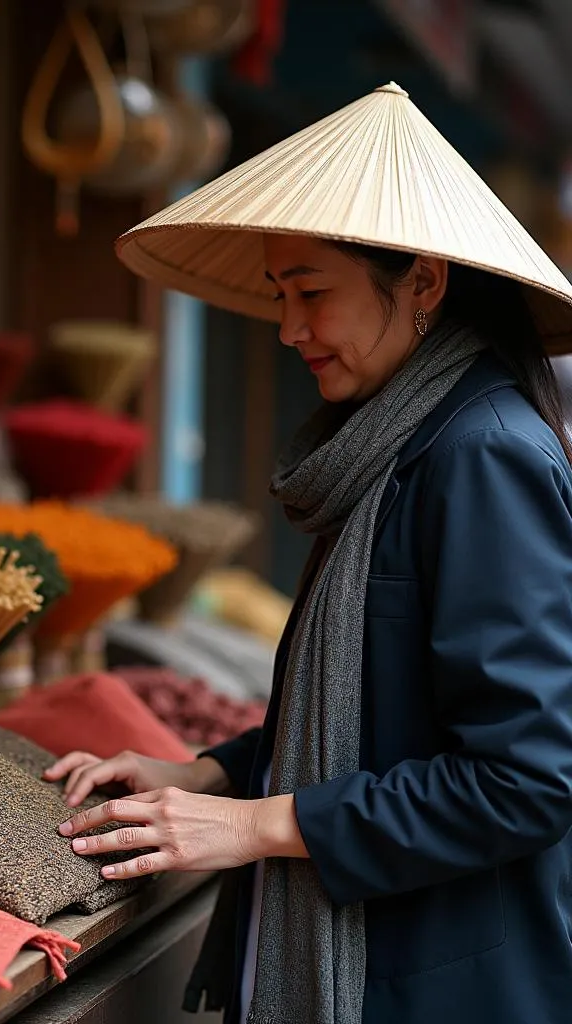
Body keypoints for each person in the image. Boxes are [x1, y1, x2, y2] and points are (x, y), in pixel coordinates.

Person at [46, 83, 572, 1024]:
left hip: (448, 984)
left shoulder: (480, 453)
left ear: (422, 282)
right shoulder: (399, 444)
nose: (289, 329)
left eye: (313, 292)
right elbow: (384, 714)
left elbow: (527, 779)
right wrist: (210, 774)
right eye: (280, 293)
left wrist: (250, 824)